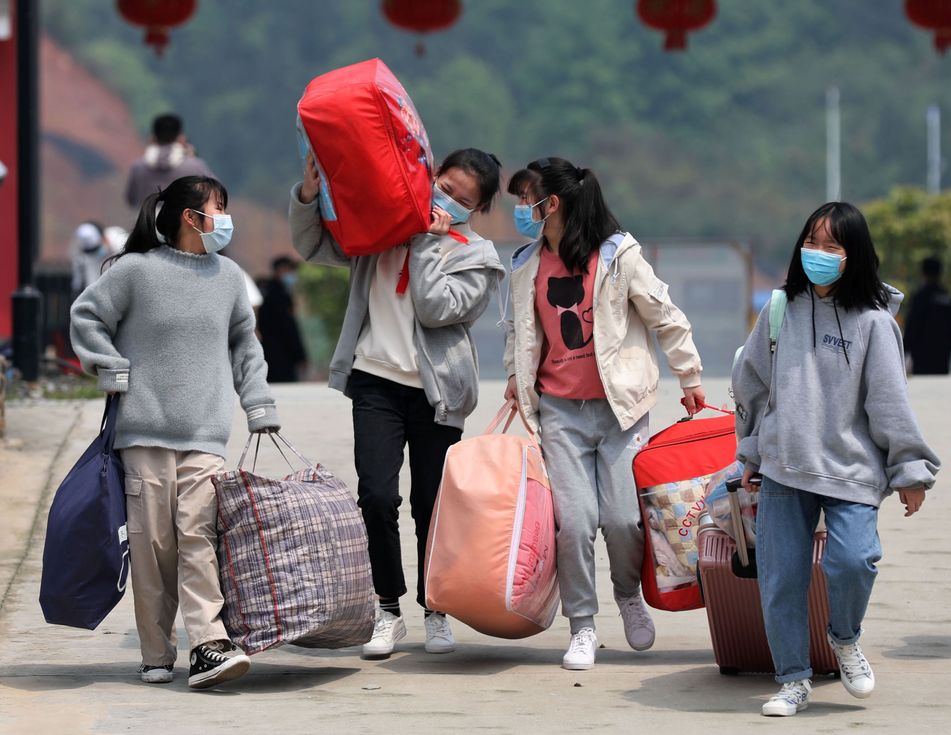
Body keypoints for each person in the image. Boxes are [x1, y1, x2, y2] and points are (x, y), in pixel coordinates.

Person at [289, 147, 505, 659]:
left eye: (462, 200)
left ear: (475, 210)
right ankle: (388, 609)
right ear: (430, 176)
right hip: (374, 382)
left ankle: (437, 608)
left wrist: (428, 241)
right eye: (445, 186)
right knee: (377, 497)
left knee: (432, 505)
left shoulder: (478, 256)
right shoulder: (383, 228)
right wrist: (307, 194)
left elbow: (435, 311)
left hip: (438, 395)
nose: (447, 200)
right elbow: (314, 245)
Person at [71, 175, 279, 689]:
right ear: (192, 217)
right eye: (219, 207)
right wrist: (112, 369)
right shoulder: (135, 272)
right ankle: (156, 653)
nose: (225, 218)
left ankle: (208, 644)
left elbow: (245, 348)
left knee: (198, 538)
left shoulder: (229, 277)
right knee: (153, 548)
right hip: (142, 434)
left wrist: (259, 404)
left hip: (206, 434)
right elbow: (86, 317)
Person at [732, 202, 940, 717]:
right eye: (811, 242)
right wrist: (753, 450)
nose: (817, 254)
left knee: (854, 560)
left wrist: (909, 470)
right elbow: (752, 383)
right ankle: (793, 679)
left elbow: (889, 401)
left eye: (832, 246)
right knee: (781, 579)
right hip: (785, 465)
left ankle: (844, 638)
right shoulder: (781, 308)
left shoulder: (874, 322)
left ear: (854, 256)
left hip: (852, 470)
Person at [502, 157, 705, 671]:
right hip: (560, 412)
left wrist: (691, 377)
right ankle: (583, 626)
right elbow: (521, 332)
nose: (520, 209)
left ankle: (628, 595)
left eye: (527, 198)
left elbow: (666, 317)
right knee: (573, 524)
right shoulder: (525, 262)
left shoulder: (618, 255)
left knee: (622, 520)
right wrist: (515, 377)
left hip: (622, 411)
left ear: (555, 203)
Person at [125, 114, 215, 209]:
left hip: (147, 221)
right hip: (183, 221)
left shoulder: (138, 168)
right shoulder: (195, 166)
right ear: (180, 137)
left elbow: (131, 199)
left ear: (153, 138)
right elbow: (216, 191)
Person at [903, 256, 951, 375]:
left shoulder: (921, 297)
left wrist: (903, 351)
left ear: (923, 273)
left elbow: (912, 326)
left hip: (922, 358)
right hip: (943, 358)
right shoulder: (949, 299)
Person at [258, 256, 307, 382]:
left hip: (268, 354)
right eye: (290, 270)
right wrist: (300, 355)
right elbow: (289, 327)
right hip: (280, 356)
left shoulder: (268, 291)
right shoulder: (278, 295)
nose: (292, 274)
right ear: (280, 270)